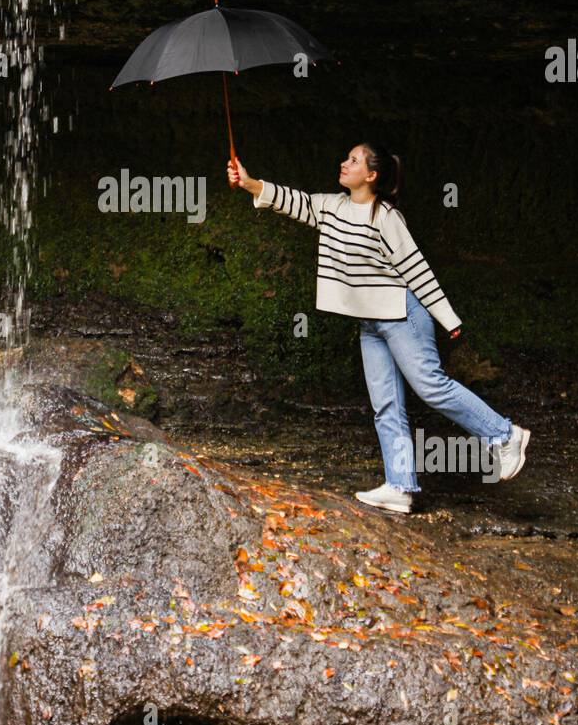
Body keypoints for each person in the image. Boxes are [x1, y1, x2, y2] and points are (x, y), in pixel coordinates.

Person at [227, 142, 530, 514]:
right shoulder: (332, 207)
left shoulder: (385, 217)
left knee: (431, 387)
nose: (344, 162)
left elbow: (417, 270)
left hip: (403, 314)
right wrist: (249, 182)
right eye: (346, 157)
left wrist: (448, 319)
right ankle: (400, 486)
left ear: (371, 175)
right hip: (371, 321)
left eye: (353, 160)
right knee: (385, 404)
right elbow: (294, 201)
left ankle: (504, 435)